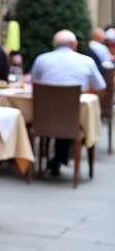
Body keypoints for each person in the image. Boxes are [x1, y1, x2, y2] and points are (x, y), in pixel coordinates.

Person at [29, 30, 107, 177]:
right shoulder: (86, 61)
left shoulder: (42, 59)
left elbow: (33, 84)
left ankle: (57, 159)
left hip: (43, 118)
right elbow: (101, 88)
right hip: (73, 118)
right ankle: (60, 158)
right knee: (77, 121)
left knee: (64, 117)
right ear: (74, 44)